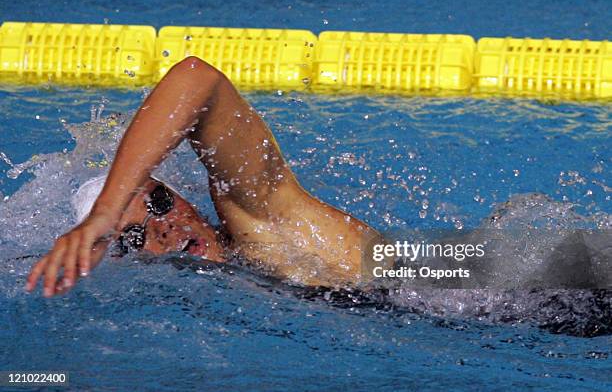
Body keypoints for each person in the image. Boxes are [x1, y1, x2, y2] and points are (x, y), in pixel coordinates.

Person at [25, 56, 381, 298]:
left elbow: (198, 78)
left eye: (160, 202)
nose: (163, 228)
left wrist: (106, 213)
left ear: (186, 200)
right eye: (135, 237)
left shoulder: (263, 224)